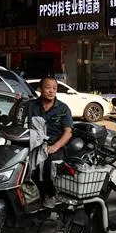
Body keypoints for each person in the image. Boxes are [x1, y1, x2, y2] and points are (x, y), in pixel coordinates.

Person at [9, 77, 74, 207]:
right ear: (40, 89)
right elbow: (13, 118)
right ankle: (28, 197)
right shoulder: (30, 105)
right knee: (22, 167)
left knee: (48, 167)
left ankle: (50, 195)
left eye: (54, 88)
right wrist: (16, 104)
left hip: (54, 146)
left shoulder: (63, 108)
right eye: (48, 88)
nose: (51, 91)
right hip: (34, 143)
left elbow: (68, 132)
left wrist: (55, 147)